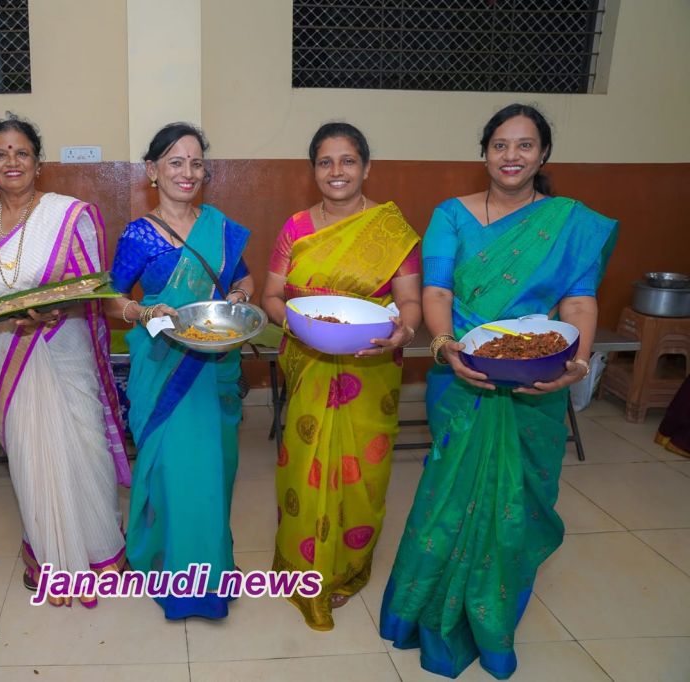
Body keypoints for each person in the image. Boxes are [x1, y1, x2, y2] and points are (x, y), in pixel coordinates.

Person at [380, 104, 619, 678]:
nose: (512, 156)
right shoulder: (451, 215)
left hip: (540, 378)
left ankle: (493, 623)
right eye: (500, 145)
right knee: (447, 497)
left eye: (525, 145)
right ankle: (426, 614)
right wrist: (446, 346)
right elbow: (436, 291)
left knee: (517, 504)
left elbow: (579, 302)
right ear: (484, 152)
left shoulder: (568, 222)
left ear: (543, 154)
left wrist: (577, 361)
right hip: (461, 374)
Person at [0, 115, 129, 609]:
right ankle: (51, 560)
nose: (11, 161)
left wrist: (51, 312)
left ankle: (100, 555)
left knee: (84, 447)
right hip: (3, 352)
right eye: (1, 153)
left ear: (38, 162)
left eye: (21, 152)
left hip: (62, 347)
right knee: (29, 456)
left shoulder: (69, 215)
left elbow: (91, 288)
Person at [260, 122, 422, 631]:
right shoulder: (295, 228)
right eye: (325, 161)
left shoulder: (392, 231)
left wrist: (406, 329)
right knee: (303, 465)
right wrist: (300, 324)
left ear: (366, 168)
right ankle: (302, 568)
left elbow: (411, 301)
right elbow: (271, 296)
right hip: (308, 359)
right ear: (313, 171)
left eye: (348, 160)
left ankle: (347, 569)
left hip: (372, 366)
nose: (337, 171)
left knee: (362, 474)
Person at [107, 122, 254, 620]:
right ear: (152, 170)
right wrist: (141, 311)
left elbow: (244, 277)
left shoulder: (220, 227)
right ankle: (168, 566)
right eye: (175, 162)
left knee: (213, 471)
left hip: (215, 363)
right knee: (172, 471)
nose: (187, 172)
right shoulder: (139, 234)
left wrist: (240, 295)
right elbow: (110, 298)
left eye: (195, 163)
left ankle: (211, 571)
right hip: (161, 364)